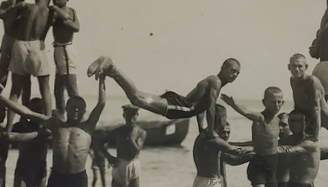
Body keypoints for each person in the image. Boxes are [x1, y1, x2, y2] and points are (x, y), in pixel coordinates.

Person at [0, 76, 106, 187]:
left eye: (79, 108)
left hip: (77, 179)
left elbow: (101, 104)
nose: (75, 110)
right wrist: (0, 97)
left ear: (83, 111)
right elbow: (26, 113)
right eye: (72, 107)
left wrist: (102, 80)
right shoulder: (56, 125)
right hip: (57, 177)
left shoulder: (87, 127)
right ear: (66, 109)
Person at [87, 56, 240, 135]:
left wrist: (201, 129)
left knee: (136, 97)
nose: (235, 75)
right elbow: (210, 109)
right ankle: (111, 67)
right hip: (181, 106)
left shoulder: (213, 80)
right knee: (136, 98)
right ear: (223, 67)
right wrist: (211, 133)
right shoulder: (216, 82)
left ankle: (111, 69)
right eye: (233, 70)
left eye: (238, 73)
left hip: (180, 102)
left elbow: (202, 106)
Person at [221, 88, 283, 187]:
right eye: (273, 101)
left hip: (273, 164)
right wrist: (233, 104)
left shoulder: (277, 121)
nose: (277, 104)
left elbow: (267, 142)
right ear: (264, 102)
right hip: (259, 164)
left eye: (280, 101)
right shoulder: (260, 118)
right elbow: (246, 112)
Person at [4, 0, 55, 134]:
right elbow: (44, 32)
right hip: (37, 44)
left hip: (20, 44)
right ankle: (48, 123)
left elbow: (8, 18)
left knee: (15, 91)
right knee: (44, 86)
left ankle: (8, 127)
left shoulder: (26, 8)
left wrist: (16, 7)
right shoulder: (49, 11)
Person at [12, 98, 51, 187]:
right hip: (25, 169)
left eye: (38, 111)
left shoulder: (47, 128)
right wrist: (39, 133)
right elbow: (14, 136)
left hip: (39, 170)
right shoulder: (21, 127)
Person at [0, 0, 36, 89]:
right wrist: (16, 8)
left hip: (22, 43)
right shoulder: (7, 3)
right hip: (9, 41)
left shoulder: (30, 7)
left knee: (21, 79)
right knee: (2, 76)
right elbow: (1, 14)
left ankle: (18, 105)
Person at [50, 0, 81, 114]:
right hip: (58, 50)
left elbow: (76, 27)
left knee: (71, 87)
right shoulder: (55, 13)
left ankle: (79, 116)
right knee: (58, 89)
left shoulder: (69, 11)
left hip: (66, 50)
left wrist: (57, 10)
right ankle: (61, 115)